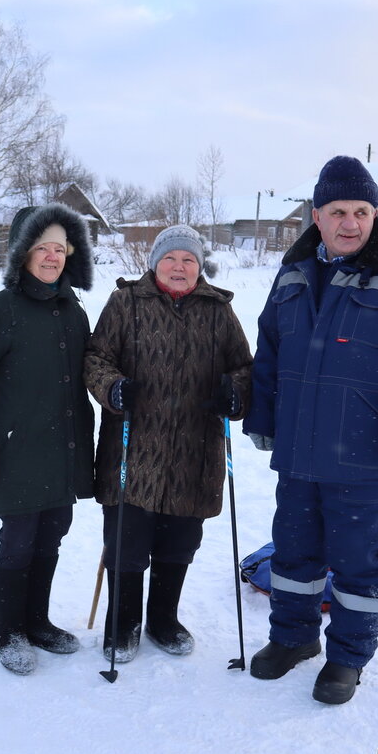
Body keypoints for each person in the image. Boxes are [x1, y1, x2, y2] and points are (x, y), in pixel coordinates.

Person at [242, 155, 378, 704]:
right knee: (292, 555)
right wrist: (263, 419)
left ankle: (346, 660)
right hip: (297, 451)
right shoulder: (292, 274)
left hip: (368, 456)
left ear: (376, 215)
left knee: (359, 563)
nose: (351, 222)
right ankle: (293, 640)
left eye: (362, 211)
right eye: (339, 211)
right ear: (317, 216)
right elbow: (269, 353)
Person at [84, 224, 253, 662]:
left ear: (200, 267)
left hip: (194, 450)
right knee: (127, 541)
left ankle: (163, 618)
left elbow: (245, 367)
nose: (179, 268)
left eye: (189, 260)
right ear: (155, 262)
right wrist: (112, 387)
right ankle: (122, 625)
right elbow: (96, 357)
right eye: (171, 259)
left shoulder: (218, 311)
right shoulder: (126, 303)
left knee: (179, 542)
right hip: (133, 447)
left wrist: (235, 391)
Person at [0, 203, 95, 676]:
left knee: (52, 537)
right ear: (21, 253)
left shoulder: (73, 312)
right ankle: (8, 633)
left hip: (63, 451)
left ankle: (37, 621)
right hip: (16, 452)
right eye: (42, 248)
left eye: (60, 249)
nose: (52, 257)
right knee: (18, 542)